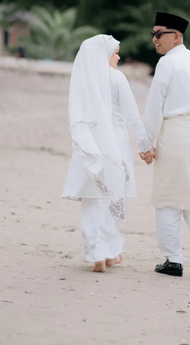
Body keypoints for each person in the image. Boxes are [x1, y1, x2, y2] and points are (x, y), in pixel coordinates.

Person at [62, 34, 154, 272]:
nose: (119, 56)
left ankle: (98, 254)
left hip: (91, 146)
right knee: (113, 199)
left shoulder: (85, 80)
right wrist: (146, 145)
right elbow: (132, 117)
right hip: (116, 147)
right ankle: (110, 253)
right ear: (104, 55)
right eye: (115, 52)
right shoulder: (117, 79)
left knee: (93, 200)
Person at [140, 12, 190, 277]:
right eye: (153, 34)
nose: (154, 40)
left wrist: (146, 143)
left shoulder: (167, 64)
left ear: (177, 36)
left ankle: (173, 260)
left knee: (167, 197)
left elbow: (154, 107)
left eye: (159, 34)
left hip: (176, 133)